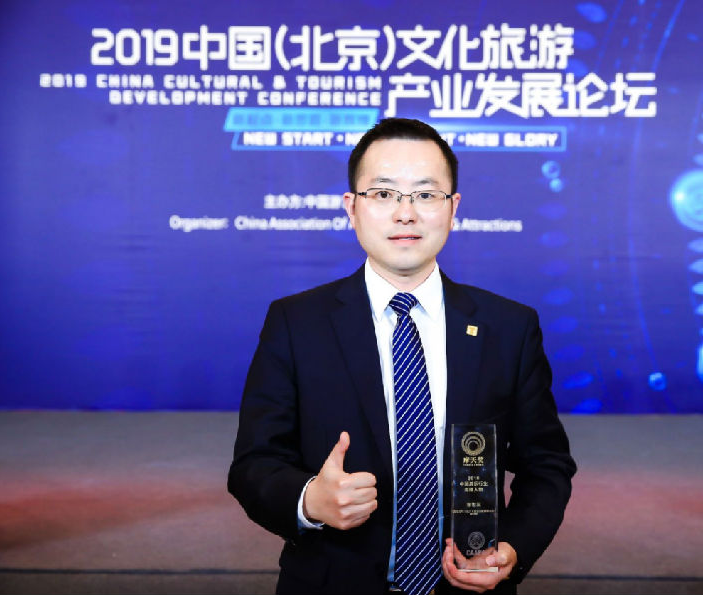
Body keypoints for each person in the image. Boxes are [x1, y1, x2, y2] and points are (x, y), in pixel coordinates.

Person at [228, 117, 576, 595]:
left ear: (453, 208)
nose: (405, 213)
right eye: (384, 193)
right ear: (351, 207)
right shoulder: (296, 323)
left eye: (426, 194)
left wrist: (512, 548)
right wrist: (309, 501)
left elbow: (547, 465)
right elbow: (253, 465)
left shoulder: (509, 328)